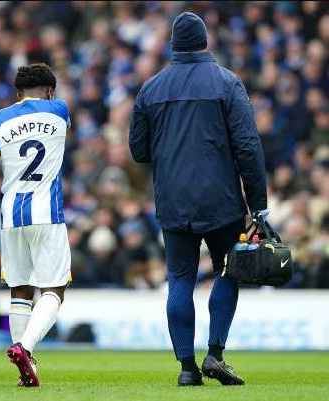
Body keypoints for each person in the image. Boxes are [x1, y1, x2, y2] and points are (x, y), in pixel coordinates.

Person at [129, 12, 268, 386]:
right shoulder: (227, 83)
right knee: (228, 271)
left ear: (173, 44)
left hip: (173, 203)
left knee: (179, 280)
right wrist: (258, 203)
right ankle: (216, 354)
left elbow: (138, 150)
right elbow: (248, 147)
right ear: (205, 41)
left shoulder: (150, 89)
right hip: (222, 202)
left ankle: (187, 369)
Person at [0, 63, 72, 387]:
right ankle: (24, 348)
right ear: (50, 91)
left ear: (16, 93)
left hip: (10, 217)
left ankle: (26, 371)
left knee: (20, 290)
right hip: (48, 213)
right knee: (54, 289)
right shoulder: (59, 111)